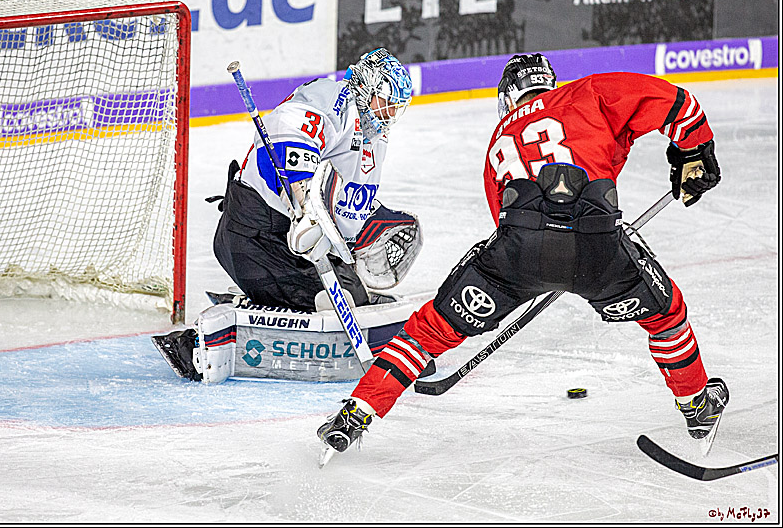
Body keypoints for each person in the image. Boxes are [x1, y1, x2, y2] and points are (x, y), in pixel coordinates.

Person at [318, 53, 727, 455]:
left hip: (519, 253)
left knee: (428, 332)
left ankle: (357, 412)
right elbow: (678, 103)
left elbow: (503, 222)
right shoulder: (587, 93)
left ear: (508, 95)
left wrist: (544, 268)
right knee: (666, 315)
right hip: (596, 248)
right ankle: (696, 405)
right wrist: (694, 153)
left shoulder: (499, 140)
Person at [212, 47, 417, 312]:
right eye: (385, 103)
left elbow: (343, 202)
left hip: (288, 240)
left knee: (354, 294)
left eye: (396, 108)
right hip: (254, 235)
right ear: (364, 88)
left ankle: (261, 297)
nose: (389, 116)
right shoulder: (334, 98)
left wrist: (368, 228)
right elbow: (284, 133)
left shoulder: (376, 137)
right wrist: (304, 204)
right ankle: (235, 317)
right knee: (337, 303)